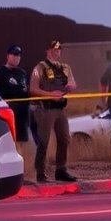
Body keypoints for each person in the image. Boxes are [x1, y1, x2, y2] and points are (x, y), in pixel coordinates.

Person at [30, 39, 78, 183]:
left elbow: (73, 83)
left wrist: (70, 87)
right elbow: (32, 89)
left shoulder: (65, 68)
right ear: (47, 51)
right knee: (43, 141)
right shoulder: (40, 67)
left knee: (64, 139)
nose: (56, 53)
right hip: (45, 109)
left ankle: (61, 170)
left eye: (58, 50)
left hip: (60, 110)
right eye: (53, 50)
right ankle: (40, 173)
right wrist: (51, 95)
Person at [0, 44, 38, 146]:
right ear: (8, 56)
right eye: (14, 55)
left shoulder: (22, 73)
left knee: (22, 140)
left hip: (23, 111)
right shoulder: (0, 73)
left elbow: (27, 90)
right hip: (10, 110)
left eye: (18, 56)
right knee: (11, 140)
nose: (17, 58)